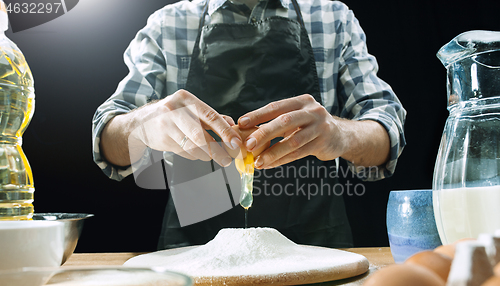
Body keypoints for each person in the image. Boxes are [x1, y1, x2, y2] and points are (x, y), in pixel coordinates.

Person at [92, 0, 406, 250]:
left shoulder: (332, 18)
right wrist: (145, 123)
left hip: (316, 249)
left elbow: (387, 132)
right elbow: (106, 139)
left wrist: (341, 135)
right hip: (193, 255)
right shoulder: (168, 25)